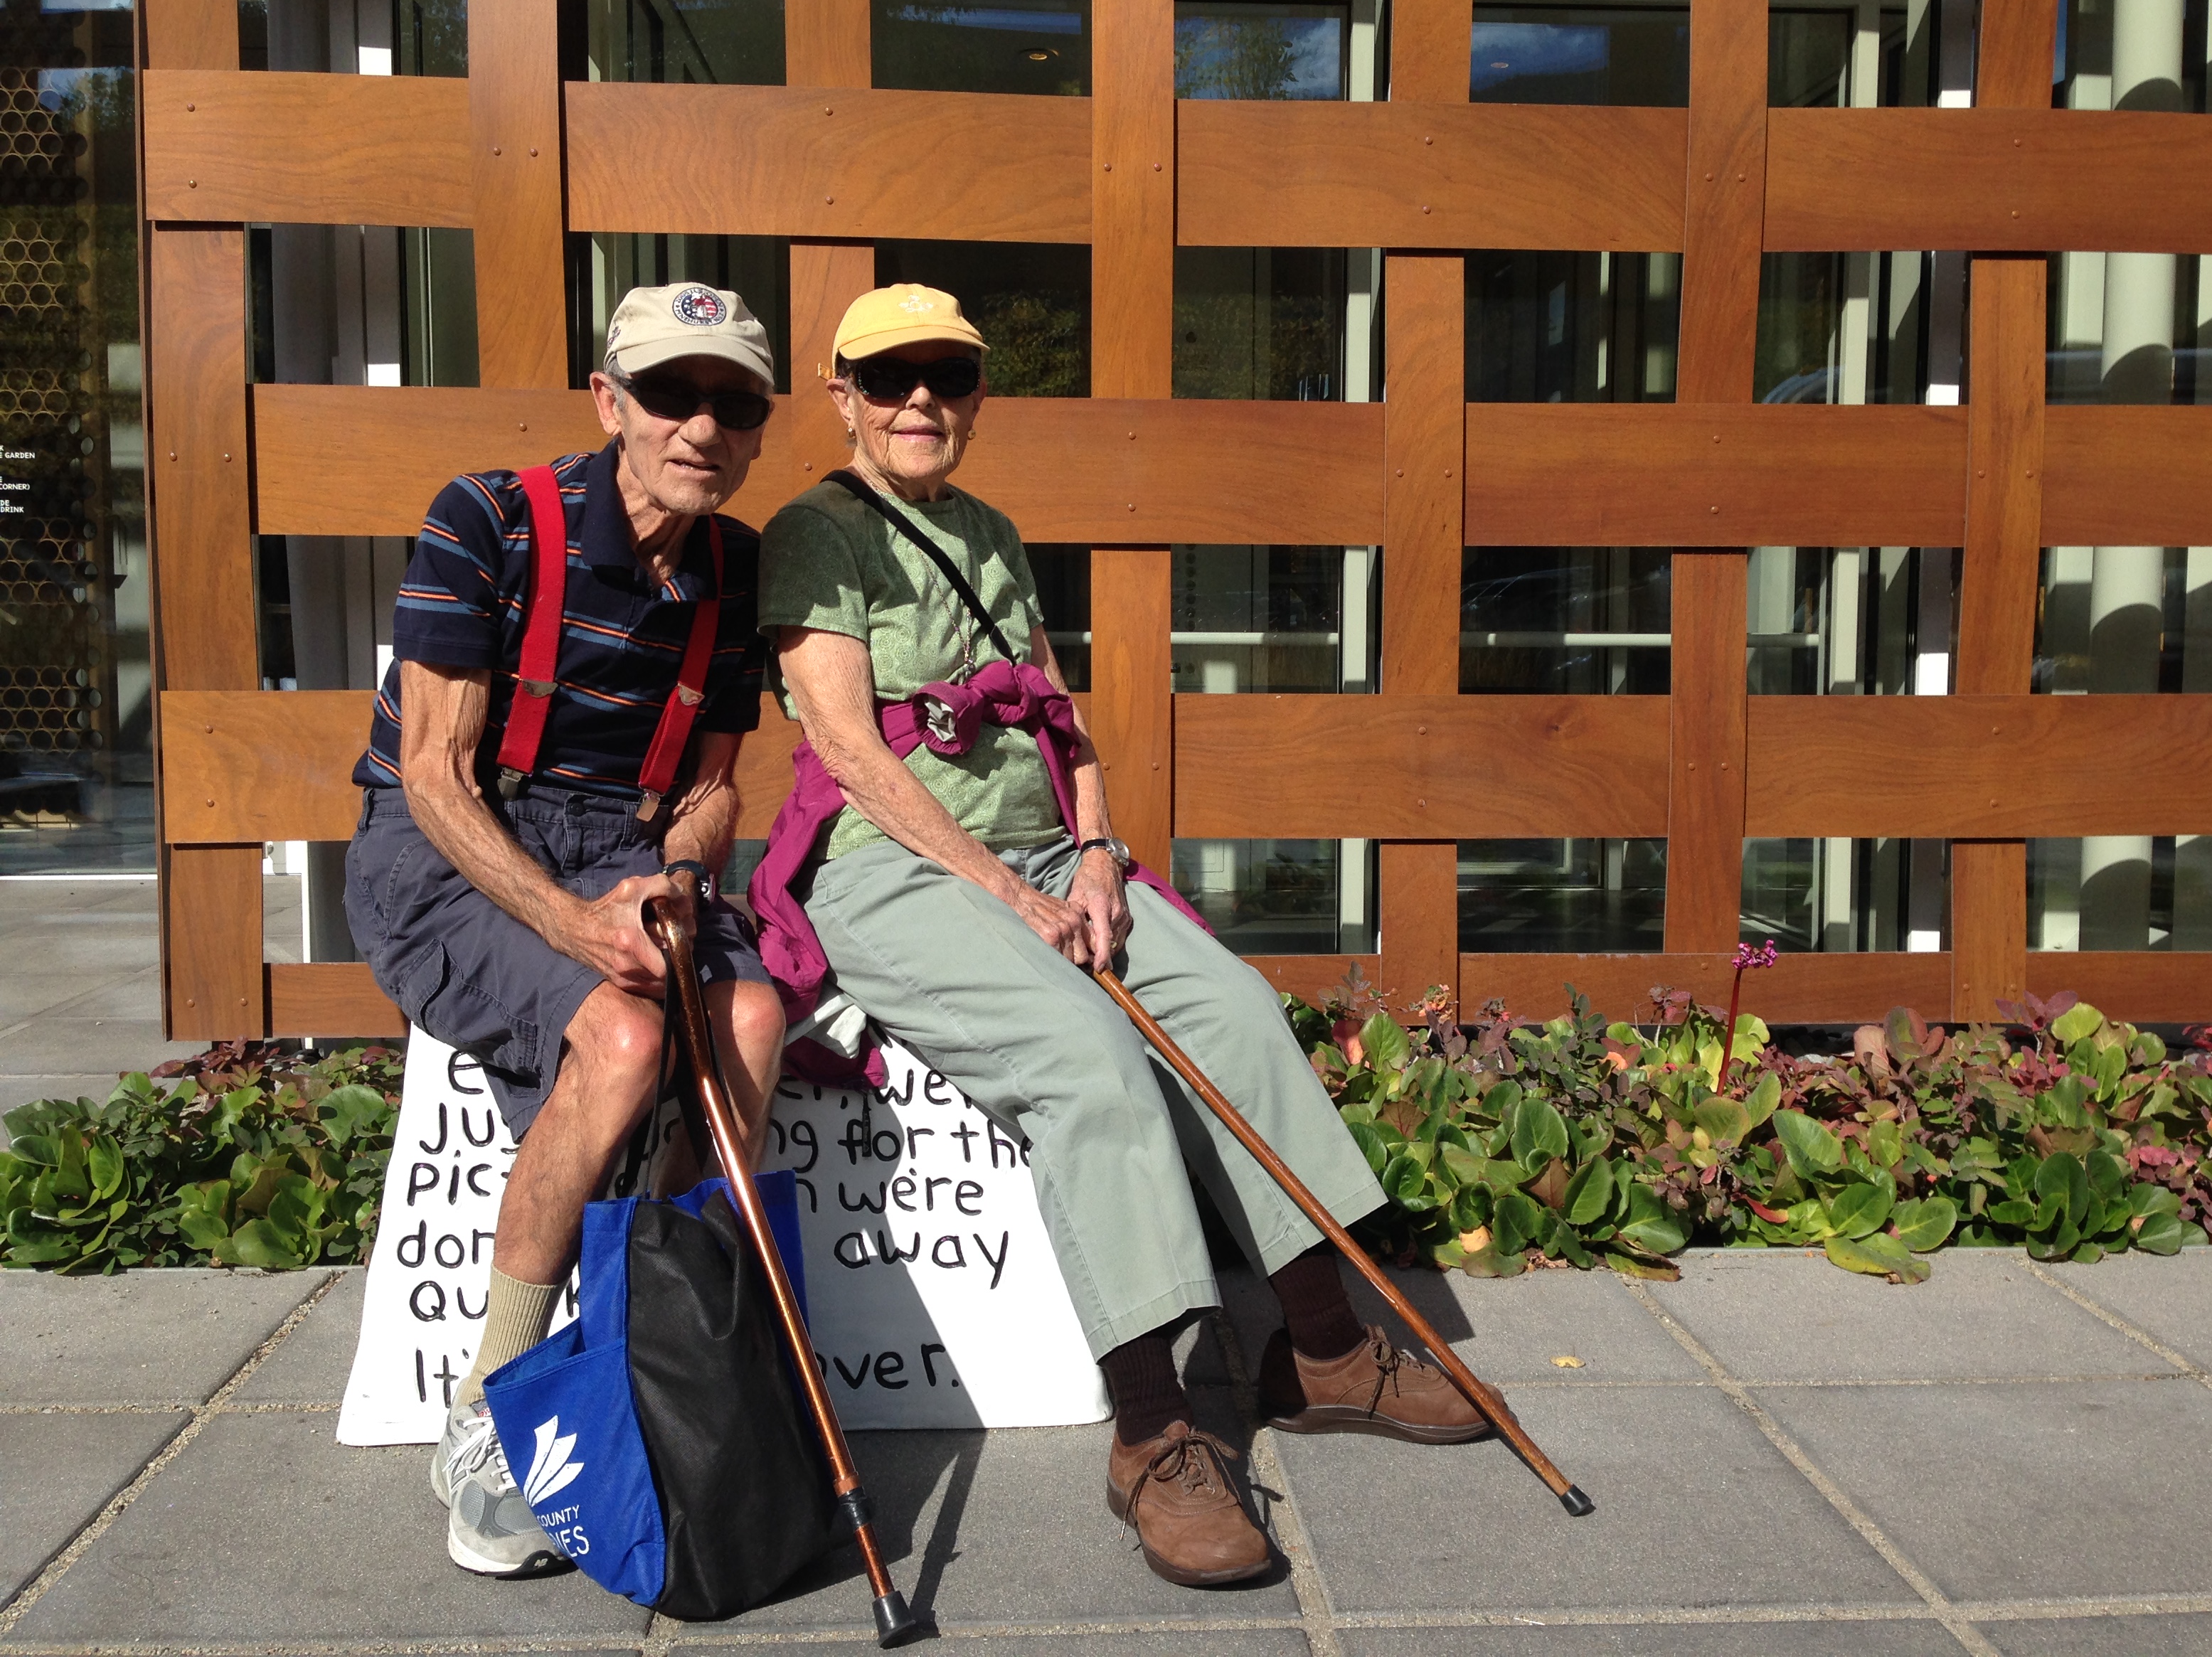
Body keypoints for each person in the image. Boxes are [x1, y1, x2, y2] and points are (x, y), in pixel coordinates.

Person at [753, 284, 1491, 1589]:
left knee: (1236, 1008)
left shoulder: (991, 531)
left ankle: (1320, 1348)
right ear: (843, 396)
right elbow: (852, 752)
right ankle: (1153, 1430)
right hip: (894, 875)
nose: (919, 400)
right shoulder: (816, 534)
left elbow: (1060, 714)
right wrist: (1011, 892)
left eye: (946, 378)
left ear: (977, 397)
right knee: (1087, 1057)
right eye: (888, 378)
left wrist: (1096, 854)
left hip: (1047, 857)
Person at [344, 283, 783, 1578]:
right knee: (624, 1039)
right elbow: (434, 776)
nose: (701, 427)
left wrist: (680, 881)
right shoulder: (487, 519)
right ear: (609, 402)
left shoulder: (734, 563)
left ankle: (669, 1355)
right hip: (455, 843)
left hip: (631, 850)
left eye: (734, 404)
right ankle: (495, 1404)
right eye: (671, 394)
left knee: (754, 1017)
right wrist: (575, 926)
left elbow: (712, 787)